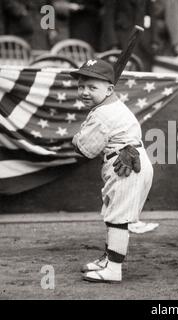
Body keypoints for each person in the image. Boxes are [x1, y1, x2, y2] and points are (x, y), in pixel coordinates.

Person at [71, 59, 153, 283]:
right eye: (81, 86)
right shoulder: (111, 105)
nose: (84, 92)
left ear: (109, 89)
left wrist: (75, 138)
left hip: (125, 164)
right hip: (126, 159)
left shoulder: (103, 113)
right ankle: (109, 259)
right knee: (113, 214)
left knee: (117, 218)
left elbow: (86, 149)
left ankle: (113, 269)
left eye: (92, 87)